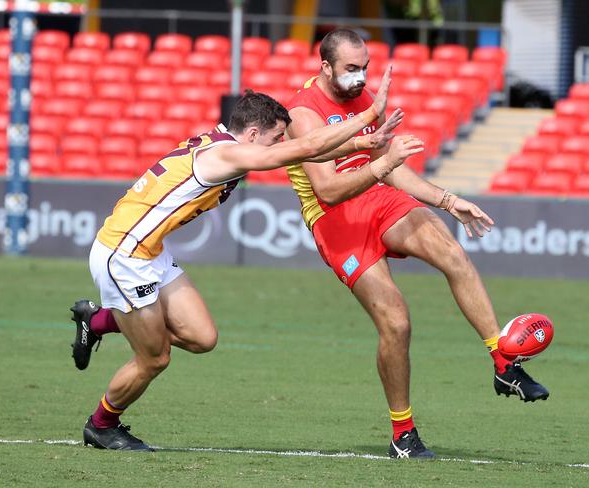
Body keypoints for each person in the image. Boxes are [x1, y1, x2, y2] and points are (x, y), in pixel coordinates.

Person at [68, 72, 426, 451]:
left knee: (202, 337)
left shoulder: (223, 142)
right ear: (254, 134)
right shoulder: (227, 154)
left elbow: (309, 150)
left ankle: (98, 319)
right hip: (123, 255)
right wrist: (370, 113)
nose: (280, 144)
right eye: (275, 137)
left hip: (148, 250)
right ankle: (102, 425)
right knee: (155, 357)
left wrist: (365, 141)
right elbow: (304, 150)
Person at [284, 28, 549, 460]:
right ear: (325, 67)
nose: (360, 76)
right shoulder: (302, 112)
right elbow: (329, 191)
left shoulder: (363, 102)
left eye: (365, 67)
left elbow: (389, 171)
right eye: (351, 69)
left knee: (453, 253)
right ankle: (403, 435)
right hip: (335, 219)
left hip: (377, 198)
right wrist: (384, 160)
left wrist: (449, 200)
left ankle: (504, 363)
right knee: (397, 322)